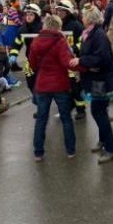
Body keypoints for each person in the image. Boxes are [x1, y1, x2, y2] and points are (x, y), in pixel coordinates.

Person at [69, 5, 113, 164]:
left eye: (83, 16)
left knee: (99, 112)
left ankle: (111, 149)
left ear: (89, 18)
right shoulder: (89, 33)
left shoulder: (98, 35)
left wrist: (81, 61)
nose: (81, 18)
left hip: (101, 80)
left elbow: (101, 58)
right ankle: (103, 141)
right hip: (96, 78)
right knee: (100, 111)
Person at [28, 14, 77, 161]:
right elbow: (66, 62)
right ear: (58, 27)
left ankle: (38, 152)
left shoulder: (35, 42)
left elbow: (32, 64)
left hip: (42, 85)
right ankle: (70, 151)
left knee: (41, 119)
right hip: (60, 85)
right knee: (66, 119)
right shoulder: (60, 42)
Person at [56, 0, 87, 119]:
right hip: (62, 62)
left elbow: (83, 41)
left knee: (76, 88)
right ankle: (69, 107)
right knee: (65, 88)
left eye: (62, 11)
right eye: (58, 11)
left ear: (68, 12)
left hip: (73, 61)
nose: (59, 13)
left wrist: (74, 48)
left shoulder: (76, 25)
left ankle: (81, 110)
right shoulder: (58, 25)